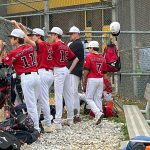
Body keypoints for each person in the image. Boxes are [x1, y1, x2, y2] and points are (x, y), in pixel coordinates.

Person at [0, 27, 41, 132]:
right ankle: (37, 125)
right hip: (36, 76)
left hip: (27, 78)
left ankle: (36, 128)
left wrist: (1, 48)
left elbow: (3, 63)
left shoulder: (14, 52)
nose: (10, 40)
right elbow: (31, 42)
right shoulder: (29, 47)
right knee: (35, 103)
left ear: (17, 39)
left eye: (12, 38)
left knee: (30, 104)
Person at [49, 27, 79, 129]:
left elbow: (46, 51)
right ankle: (70, 119)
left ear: (56, 35)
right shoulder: (65, 46)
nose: (50, 36)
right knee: (68, 95)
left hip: (58, 70)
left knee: (58, 96)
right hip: (65, 70)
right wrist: (69, 70)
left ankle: (57, 122)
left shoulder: (55, 45)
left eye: (52, 34)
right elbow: (76, 59)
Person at [28, 28, 54, 132]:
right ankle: (36, 121)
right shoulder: (48, 44)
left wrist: (17, 26)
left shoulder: (41, 44)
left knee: (43, 100)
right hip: (49, 73)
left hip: (43, 73)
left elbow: (26, 39)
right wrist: (21, 27)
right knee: (39, 99)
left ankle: (48, 124)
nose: (32, 37)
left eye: (34, 35)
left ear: (39, 36)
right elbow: (29, 38)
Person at [83, 41, 107, 125]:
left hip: (92, 79)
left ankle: (98, 113)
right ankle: (99, 116)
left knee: (88, 98)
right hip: (100, 79)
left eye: (89, 48)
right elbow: (104, 72)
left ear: (92, 48)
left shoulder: (89, 57)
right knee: (97, 98)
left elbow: (86, 71)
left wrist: (83, 81)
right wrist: (105, 82)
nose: (88, 50)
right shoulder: (102, 58)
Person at [67, 26, 84, 123]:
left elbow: (66, 53)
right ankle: (75, 113)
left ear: (77, 34)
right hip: (74, 71)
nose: (71, 35)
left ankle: (76, 114)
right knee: (73, 92)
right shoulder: (76, 43)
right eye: (70, 34)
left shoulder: (76, 43)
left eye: (72, 34)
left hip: (74, 71)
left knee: (73, 92)